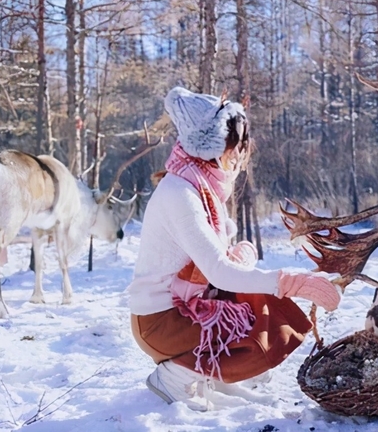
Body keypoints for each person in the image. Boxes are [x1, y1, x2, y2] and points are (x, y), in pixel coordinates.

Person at [129, 86, 340, 406]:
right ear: (211, 146)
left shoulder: (201, 184)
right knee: (259, 329)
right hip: (161, 322)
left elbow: (211, 262)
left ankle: (212, 373)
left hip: (187, 305)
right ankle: (178, 375)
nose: (240, 154)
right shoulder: (181, 193)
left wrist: (238, 255)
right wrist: (291, 281)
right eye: (235, 146)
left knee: (266, 309)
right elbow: (218, 272)